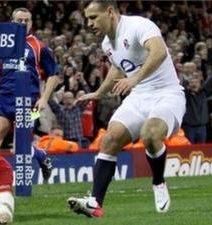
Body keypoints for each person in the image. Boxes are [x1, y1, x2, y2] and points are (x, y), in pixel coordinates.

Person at [68, 0, 186, 217]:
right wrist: (99, 93)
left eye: (93, 17)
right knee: (110, 139)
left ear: (110, 12)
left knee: (150, 135)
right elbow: (117, 67)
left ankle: (158, 182)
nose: (89, 23)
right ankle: (95, 203)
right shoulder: (107, 43)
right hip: (139, 97)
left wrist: (134, 79)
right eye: (87, 18)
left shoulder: (139, 26)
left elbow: (159, 53)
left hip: (167, 94)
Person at [0, 7, 58, 177]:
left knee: (19, 148)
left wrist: (44, 99)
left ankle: (41, 155)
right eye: (19, 20)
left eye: (26, 21)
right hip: (3, 98)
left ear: (31, 23)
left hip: (29, 102)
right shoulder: (4, 42)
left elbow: (53, 74)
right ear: (12, 22)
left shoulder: (39, 47)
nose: (22, 24)